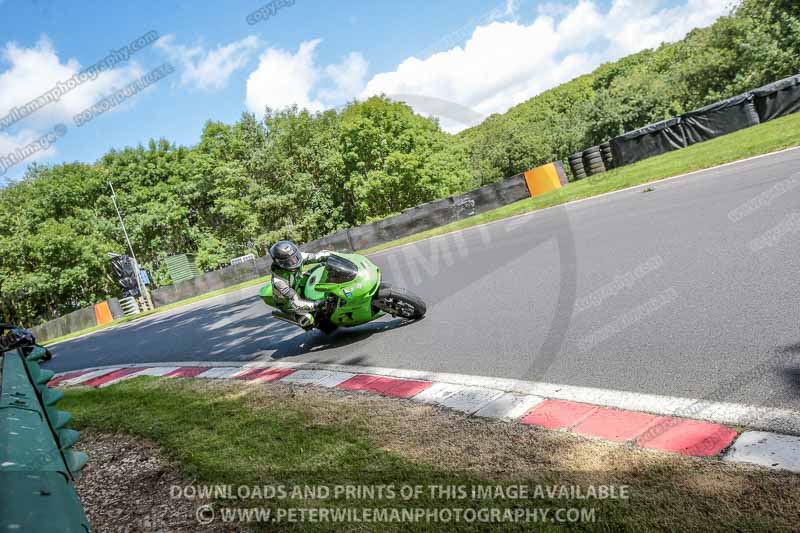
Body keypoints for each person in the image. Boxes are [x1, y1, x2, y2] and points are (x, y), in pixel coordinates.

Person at [268, 240, 331, 326]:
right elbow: (295, 301)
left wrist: (337, 255)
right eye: (289, 261)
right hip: (289, 302)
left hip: (298, 283)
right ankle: (299, 318)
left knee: (322, 265)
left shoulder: (298, 257)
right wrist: (318, 304)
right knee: (309, 319)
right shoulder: (279, 281)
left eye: (295, 257)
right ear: (280, 263)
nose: (294, 261)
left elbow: (318, 256)